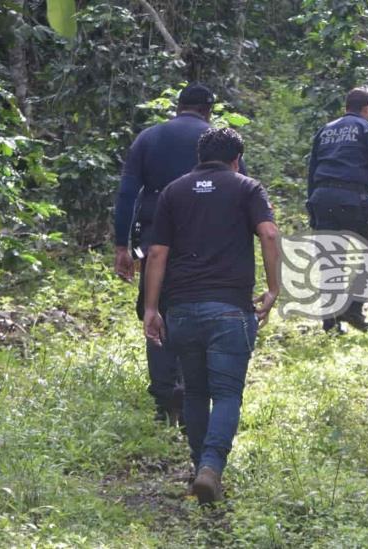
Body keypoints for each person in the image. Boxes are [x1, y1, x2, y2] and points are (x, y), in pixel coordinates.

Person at [143, 128, 280, 504]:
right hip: (229, 308)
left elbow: (157, 253)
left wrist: (152, 308)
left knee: (196, 391)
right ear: (236, 159)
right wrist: (273, 287)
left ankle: (199, 468)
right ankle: (211, 466)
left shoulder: (174, 191)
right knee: (226, 393)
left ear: (199, 157)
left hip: (182, 310)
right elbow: (268, 233)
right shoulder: (247, 187)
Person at [113, 83, 246, 424]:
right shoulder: (217, 141)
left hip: (154, 234)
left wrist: (121, 246)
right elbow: (239, 188)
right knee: (197, 305)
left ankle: (164, 395)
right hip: (206, 239)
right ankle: (192, 389)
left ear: (178, 107)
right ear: (207, 109)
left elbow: (128, 192)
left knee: (155, 308)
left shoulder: (148, 138)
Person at [307, 86, 368, 333]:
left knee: (330, 258)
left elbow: (312, 171)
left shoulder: (325, 130)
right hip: (353, 198)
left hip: (322, 197)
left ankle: (331, 323)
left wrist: (312, 204)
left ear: (346, 106)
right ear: (367, 108)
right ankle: (354, 307)